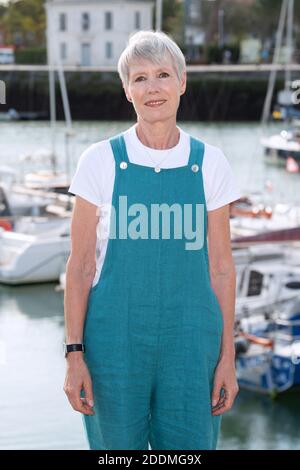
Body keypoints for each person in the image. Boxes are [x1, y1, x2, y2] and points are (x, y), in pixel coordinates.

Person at [63, 30, 241, 451]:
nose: (153, 87)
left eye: (163, 74)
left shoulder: (210, 163)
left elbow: (221, 268)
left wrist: (227, 358)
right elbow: (81, 267)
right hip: (113, 348)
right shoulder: (99, 161)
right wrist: (74, 356)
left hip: (193, 347)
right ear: (127, 90)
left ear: (182, 82)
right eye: (139, 78)